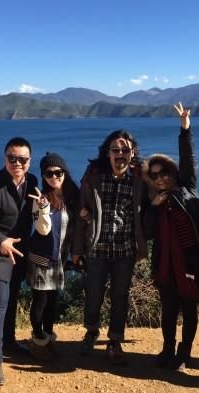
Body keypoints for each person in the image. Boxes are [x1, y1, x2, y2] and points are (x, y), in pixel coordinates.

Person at [142, 103, 199, 371]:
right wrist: (153, 207)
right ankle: (168, 348)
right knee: (168, 309)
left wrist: (185, 129)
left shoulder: (187, 189)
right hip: (165, 265)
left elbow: (189, 160)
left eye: (164, 173)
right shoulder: (154, 202)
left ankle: (184, 353)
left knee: (189, 309)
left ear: (173, 173)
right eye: (154, 175)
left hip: (190, 262)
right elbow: (148, 233)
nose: (160, 178)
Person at [71, 127, 147, 365]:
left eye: (125, 150)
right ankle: (91, 331)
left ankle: (115, 340)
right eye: (116, 150)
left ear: (133, 153)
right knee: (93, 294)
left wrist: (142, 247)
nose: (120, 154)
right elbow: (81, 212)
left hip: (125, 250)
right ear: (108, 153)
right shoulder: (95, 176)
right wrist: (77, 250)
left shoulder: (139, 179)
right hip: (97, 248)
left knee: (120, 297)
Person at [0, 137, 38, 385]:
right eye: (12, 158)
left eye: (22, 159)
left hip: (19, 251)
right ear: (5, 158)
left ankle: (8, 341)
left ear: (29, 161)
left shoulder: (32, 182)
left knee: (12, 297)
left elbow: (34, 214)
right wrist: (1, 240)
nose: (17, 163)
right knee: (0, 301)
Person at [26, 152, 79, 361]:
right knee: (40, 301)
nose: (54, 176)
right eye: (49, 173)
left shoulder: (72, 196)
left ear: (64, 172)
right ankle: (38, 340)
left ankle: (48, 338)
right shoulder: (39, 199)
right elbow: (43, 229)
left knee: (52, 302)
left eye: (58, 172)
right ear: (43, 175)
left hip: (60, 259)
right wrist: (42, 209)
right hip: (42, 258)